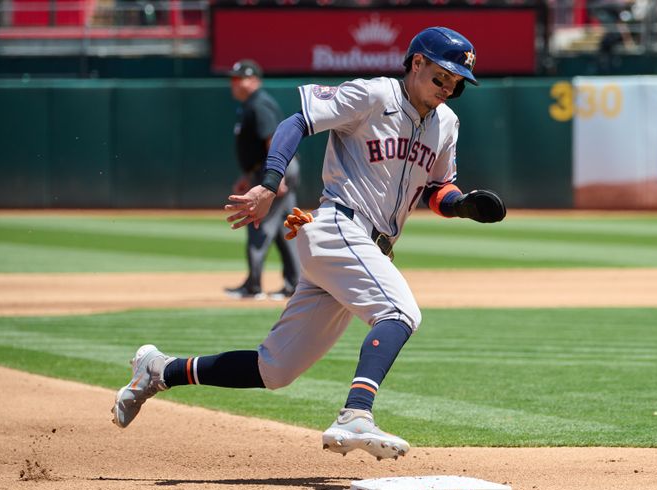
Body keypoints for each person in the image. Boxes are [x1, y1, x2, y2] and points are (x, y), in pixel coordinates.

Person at [112, 27, 506, 460]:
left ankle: (158, 370)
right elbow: (297, 121)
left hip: (367, 249)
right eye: (440, 77)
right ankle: (356, 413)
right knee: (399, 312)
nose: (447, 89)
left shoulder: (446, 123)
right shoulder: (373, 96)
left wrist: (461, 205)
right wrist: (268, 184)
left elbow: (437, 188)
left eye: (455, 85)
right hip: (337, 227)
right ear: (416, 63)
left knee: (274, 369)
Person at [224, 59, 301, 300]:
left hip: (275, 168)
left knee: (259, 223)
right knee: (285, 229)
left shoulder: (259, 105)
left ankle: (253, 286)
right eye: (233, 79)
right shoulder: (250, 105)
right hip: (269, 169)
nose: (235, 83)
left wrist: (274, 178)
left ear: (255, 80)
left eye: (240, 78)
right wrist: (247, 176)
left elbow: (272, 141)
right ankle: (294, 284)